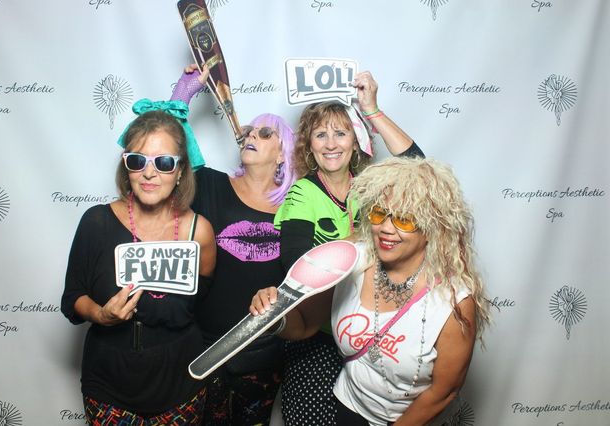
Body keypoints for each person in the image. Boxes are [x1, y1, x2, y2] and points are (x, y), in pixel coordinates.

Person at [252, 156, 491, 426]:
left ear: (431, 227)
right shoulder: (351, 260)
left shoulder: (454, 301)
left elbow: (442, 392)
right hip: (345, 408)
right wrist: (274, 316)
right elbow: (304, 326)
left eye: (404, 219)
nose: (386, 228)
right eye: (379, 213)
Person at [272, 71, 424, 425]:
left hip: (373, 333)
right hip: (319, 339)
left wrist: (370, 110)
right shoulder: (302, 195)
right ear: (308, 144)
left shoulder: (371, 189)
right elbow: (296, 272)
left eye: (340, 133)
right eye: (320, 134)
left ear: (356, 142)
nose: (330, 143)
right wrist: (359, 245)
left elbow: (420, 168)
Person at [61, 109, 216, 425]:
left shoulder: (199, 232)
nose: (149, 173)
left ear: (181, 171)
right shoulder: (96, 221)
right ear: (126, 166)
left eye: (163, 162)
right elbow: (72, 298)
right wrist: (101, 315)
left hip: (180, 381)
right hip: (109, 382)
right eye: (137, 160)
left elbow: (204, 303)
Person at [172, 65, 298, 425]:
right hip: (203, 349)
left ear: (282, 154)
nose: (250, 135)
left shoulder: (298, 206)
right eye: (248, 130)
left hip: (262, 356)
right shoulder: (211, 185)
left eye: (264, 132)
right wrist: (184, 93)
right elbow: (171, 151)